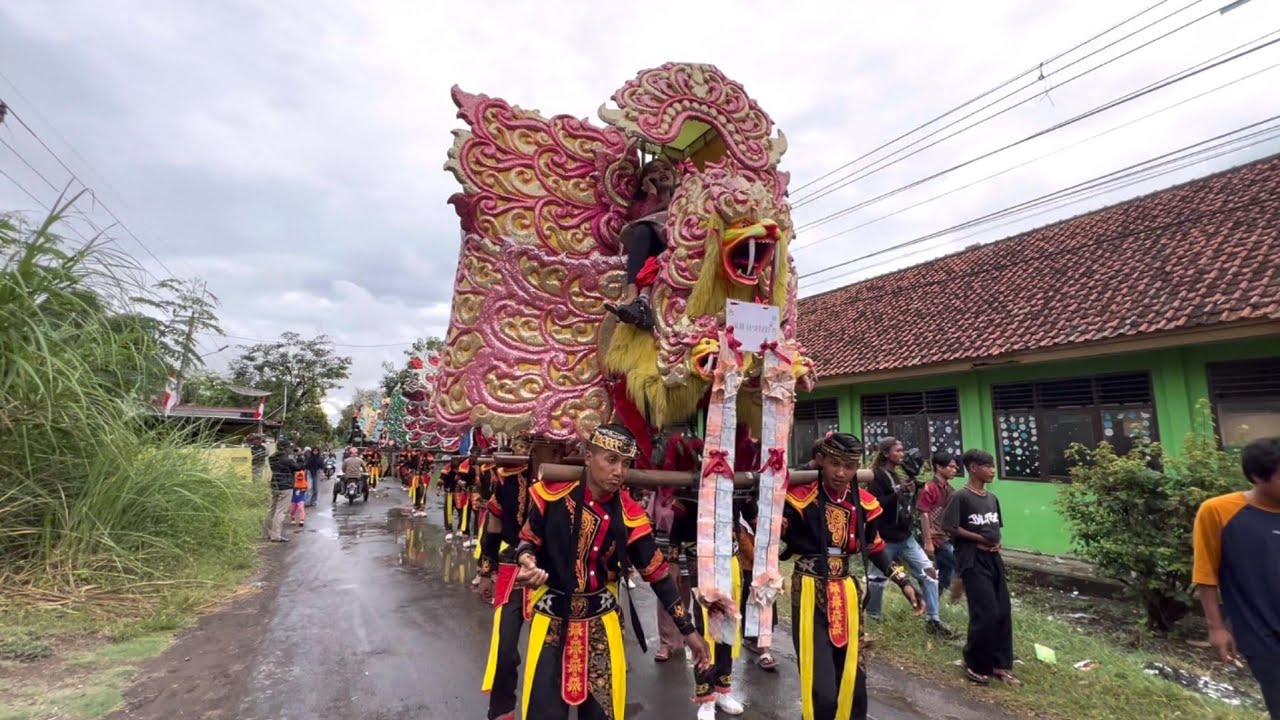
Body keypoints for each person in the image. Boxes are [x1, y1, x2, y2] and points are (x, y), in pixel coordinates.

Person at [514, 424, 711, 720]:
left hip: (601, 627)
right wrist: (526, 560)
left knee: (601, 715)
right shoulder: (552, 496)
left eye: (626, 463)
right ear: (588, 457)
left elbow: (657, 574)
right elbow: (528, 540)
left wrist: (689, 630)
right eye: (611, 460)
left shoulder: (629, 513)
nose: (619, 471)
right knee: (543, 712)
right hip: (551, 624)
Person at [784, 432, 922, 720]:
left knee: (854, 681)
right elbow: (778, 536)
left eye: (849, 466)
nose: (841, 473)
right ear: (821, 461)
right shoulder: (798, 498)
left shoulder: (864, 503)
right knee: (821, 689)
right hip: (810, 592)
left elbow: (875, 547)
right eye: (835, 464)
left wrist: (903, 581)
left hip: (847, 593)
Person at [476, 436, 563, 720]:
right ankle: (502, 709)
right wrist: (486, 571)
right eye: (529, 445)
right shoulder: (507, 477)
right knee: (505, 649)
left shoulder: (569, 482)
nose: (532, 451)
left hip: (553, 574)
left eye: (546, 446)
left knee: (553, 655)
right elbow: (494, 523)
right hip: (512, 568)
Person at [1193, 437, 1280, 719]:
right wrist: (1216, 628)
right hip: (1263, 634)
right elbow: (1206, 573)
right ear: (1257, 476)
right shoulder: (1218, 511)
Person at [943, 449, 1017, 686]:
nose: (993, 470)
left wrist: (997, 542)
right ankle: (975, 663)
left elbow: (996, 527)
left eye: (993, 466)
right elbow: (950, 527)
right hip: (972, 560)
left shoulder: (991, 498)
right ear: (973, 468)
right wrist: (979, 539)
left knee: (1003, 612)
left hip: (993, 560)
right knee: (985, 614)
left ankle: (999, 664)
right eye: (988, 466)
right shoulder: (961, 497)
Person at [864, 437, 950, 637]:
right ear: (886, 453)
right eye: (898, 450)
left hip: (905, 537)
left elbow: (910, 506)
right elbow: (875, 505)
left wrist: (913, 490)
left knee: (930, 573)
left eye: (902, 450)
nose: (902, 454)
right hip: (884, 538)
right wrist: (898, 492)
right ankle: (873, 618)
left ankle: (933, 620)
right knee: (877, 580)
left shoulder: (899, 474)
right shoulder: (877, 476)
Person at [603, 158, 679, 331]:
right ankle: (634, 297)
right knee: (643, 231)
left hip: (676, 246)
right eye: (655, 170)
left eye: (666, 169)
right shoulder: (641, 204)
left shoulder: (685, 196)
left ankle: (642, 301)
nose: (662, 173)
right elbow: (641, 220)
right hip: (651, 249)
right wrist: (652, 193)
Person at [917, 451, 962, 601]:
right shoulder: (929, 488)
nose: (954, 470)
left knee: (945, 571)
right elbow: (924, 515)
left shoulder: (949, 490)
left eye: (955, 468)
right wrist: (928, 541)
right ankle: (936, 601)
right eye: (951, 467)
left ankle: (931, 601)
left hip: (945, 537)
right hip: (936, 539)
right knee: (958, 565)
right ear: (939, 467)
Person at [265, 444, 303, 542]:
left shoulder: (271, 458)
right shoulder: (287, 460)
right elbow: (299, 468)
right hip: (285, 486)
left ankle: (267, 533)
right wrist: (299, 456)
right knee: (281, 511)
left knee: (272, 509)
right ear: (286, 448)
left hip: (274, 485)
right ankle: (276, 536)